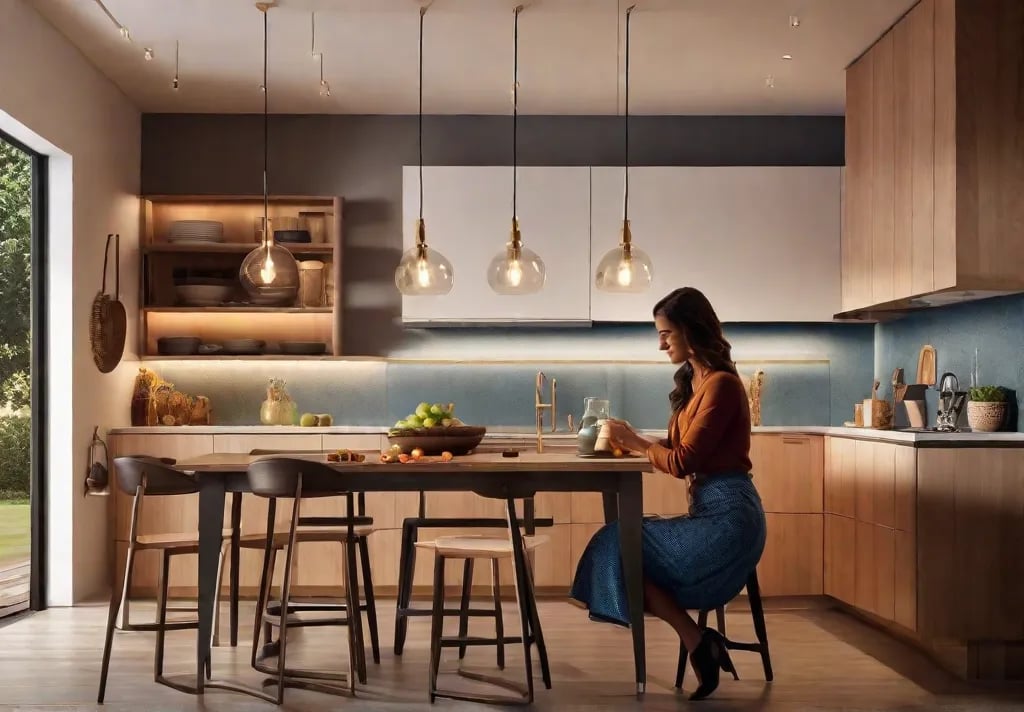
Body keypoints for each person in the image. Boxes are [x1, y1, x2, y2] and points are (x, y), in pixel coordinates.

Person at [569, 287, 767, 701]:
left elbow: (682, 461)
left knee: (618, 540)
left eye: (666, 334)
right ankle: (699, 643)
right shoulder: (695, 383)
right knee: (623, 549)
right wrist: (632, 439)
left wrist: (636, 442)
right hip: (707, 513)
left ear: (690, 330)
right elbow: (679, 447)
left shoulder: (723, 386)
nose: (661, 344)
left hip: (730, 521)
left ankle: (698, 643)